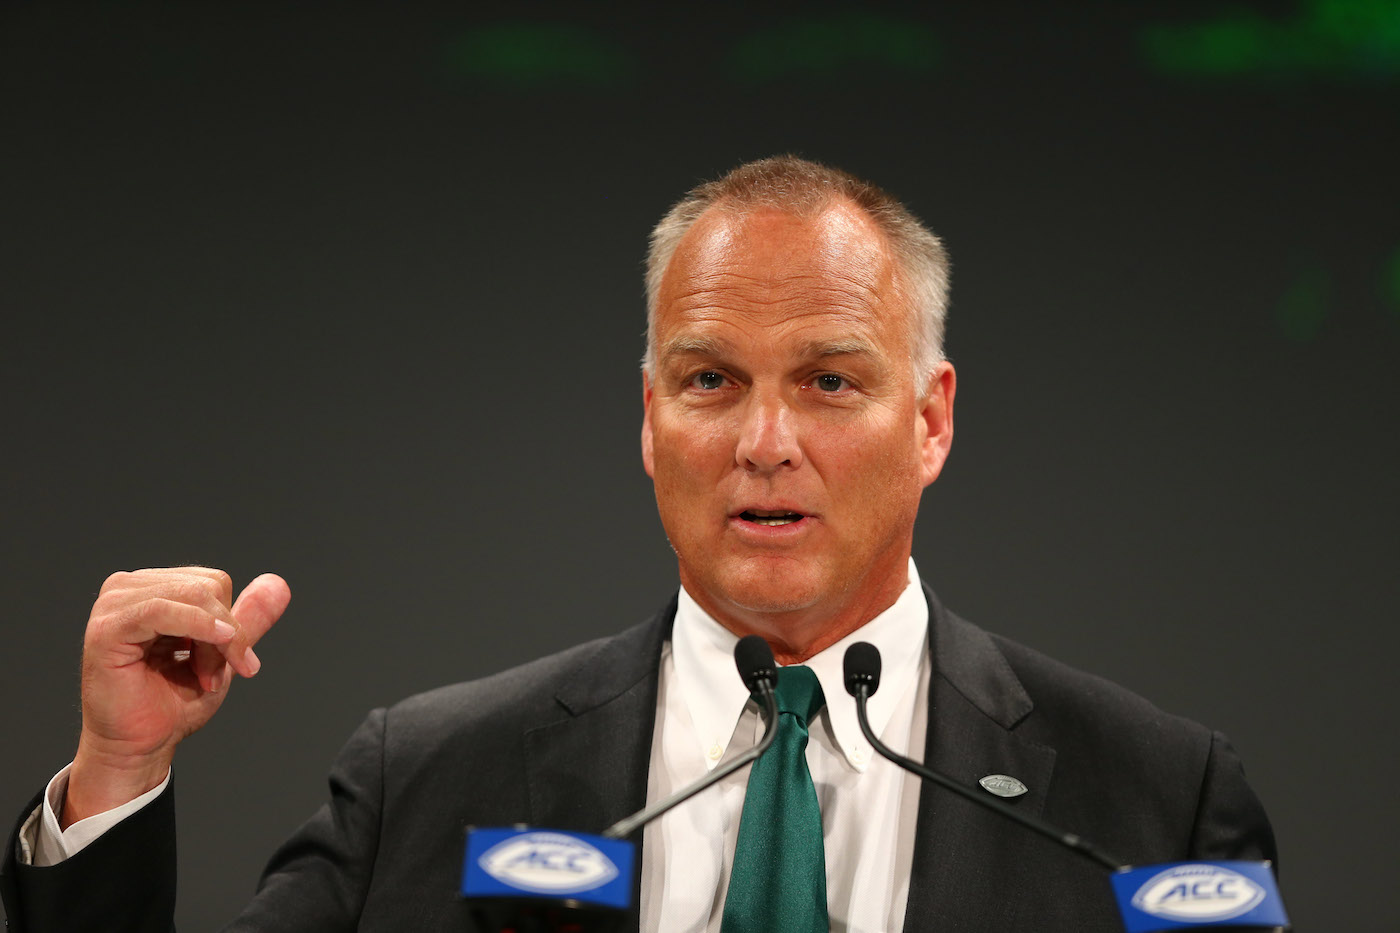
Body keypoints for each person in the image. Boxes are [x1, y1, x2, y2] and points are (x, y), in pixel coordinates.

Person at [1, 156, 1276, 932]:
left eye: (829, 382)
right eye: (710, 381)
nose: (763, 443)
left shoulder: (1151, 802)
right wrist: (119, 770)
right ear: (651, 419)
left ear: (930, 420)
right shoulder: (428, 780)